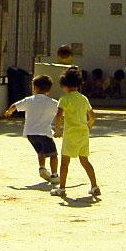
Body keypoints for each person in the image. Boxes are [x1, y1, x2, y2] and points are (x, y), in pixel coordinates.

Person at [51, 69, 99, 199]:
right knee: (85, 160)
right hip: (83, 133)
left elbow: (59, 115)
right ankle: (94, 186)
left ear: (64, 85)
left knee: (65, 162)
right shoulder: (83, 98)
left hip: (71, 133)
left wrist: (57, 130)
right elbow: (93, 116)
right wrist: (88, 126)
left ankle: (61, 189)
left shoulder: (64, 99)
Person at [4, 74, 60, 182]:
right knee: (53, 154)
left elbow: (14, 105)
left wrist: (8, 112)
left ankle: (42, 168)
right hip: (44, 133)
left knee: (40, 151)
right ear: (49, 89)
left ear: (34, 87)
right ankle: (54, 175)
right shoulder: (53, 103)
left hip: (30, 133)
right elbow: (62, 112)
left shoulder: (29, 100)